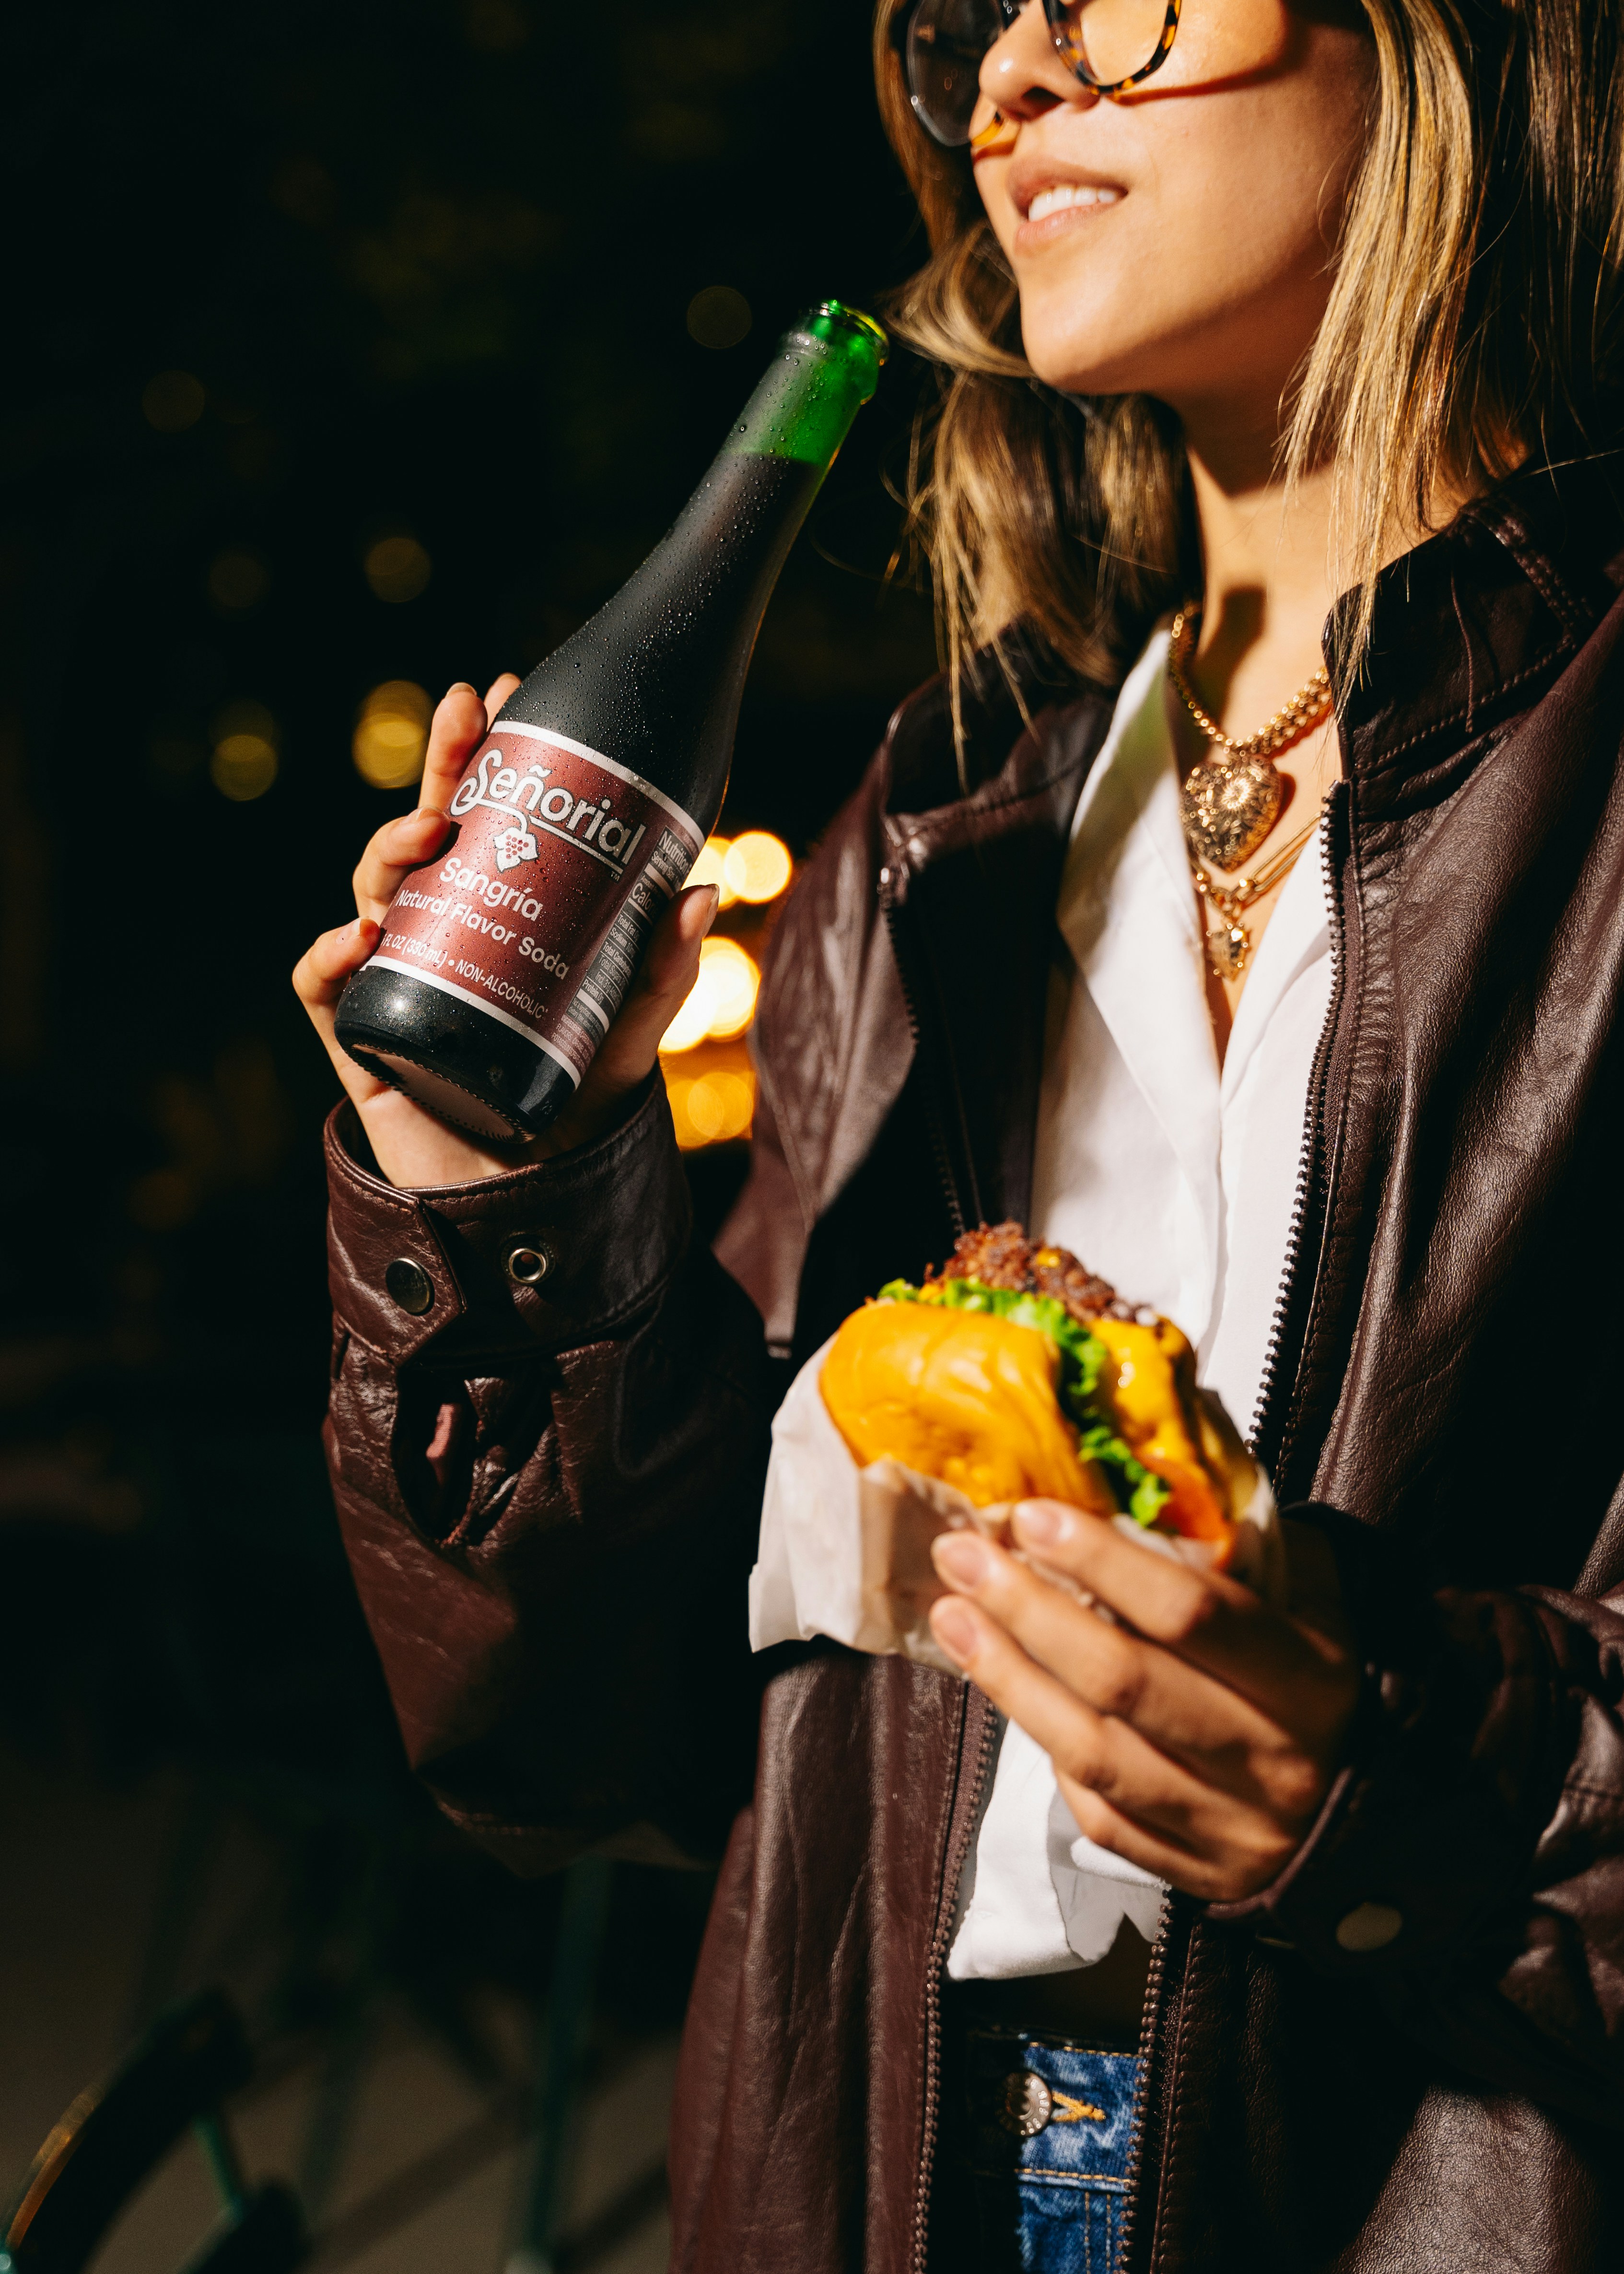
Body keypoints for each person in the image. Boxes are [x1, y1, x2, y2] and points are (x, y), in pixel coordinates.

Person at [293, 0, 1624, 2265]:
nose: (1008, 79)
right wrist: (503, 1203)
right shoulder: (943, 826)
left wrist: (1394, 1780)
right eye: (965, 26)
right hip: (903, 2171)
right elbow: (608, 1737)